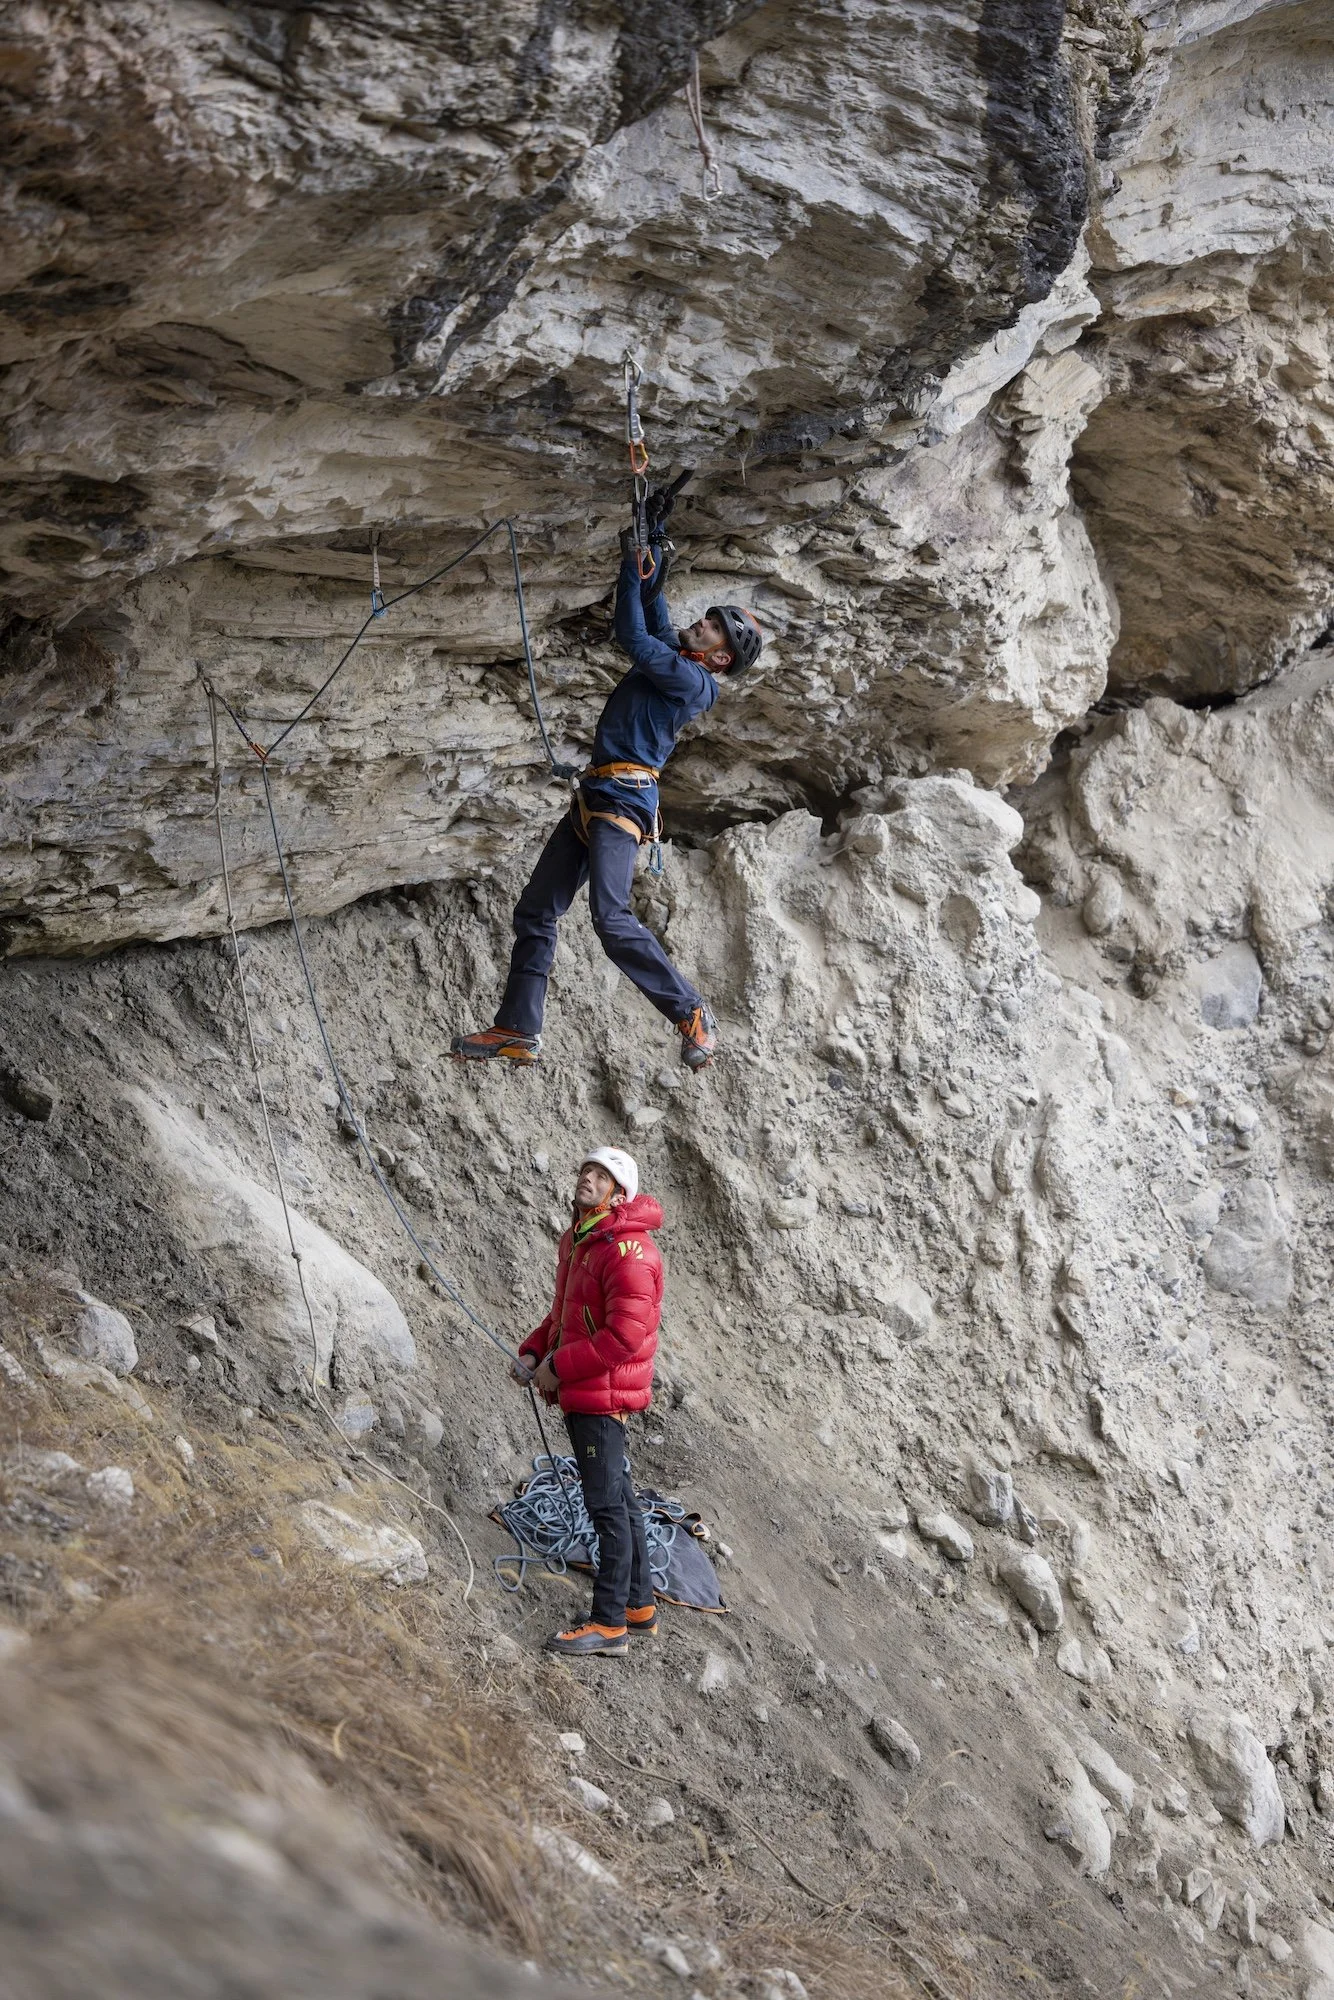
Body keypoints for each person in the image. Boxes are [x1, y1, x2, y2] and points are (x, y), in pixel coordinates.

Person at [452, 504, 763, 1070]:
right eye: (708, 618)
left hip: (624, 801)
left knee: (611, 917)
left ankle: (691, 1011)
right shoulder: (680, 658)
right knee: (536, 909)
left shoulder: (695, 684)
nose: (702, 623)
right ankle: (518, 1029)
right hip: (596, 796)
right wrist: (652, 548)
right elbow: (653, 613)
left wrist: (629, 562)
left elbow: (632, 634)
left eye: (714, 626)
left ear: (720, 657)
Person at [512, 1146, 663, 1658]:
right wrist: (535, 1351)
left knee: (607, 1507)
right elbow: (566, 1315)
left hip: (601, 1395)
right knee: (619, 1499)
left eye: (602, 1176)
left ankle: (608, 1624)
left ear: (619, 1195)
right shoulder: (582, 1240)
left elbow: (623, 1338)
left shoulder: (629, 1252)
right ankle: (637, 1606)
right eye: (586, 1171)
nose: (589, 1179)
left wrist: (558, 1368)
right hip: (589, 1388)